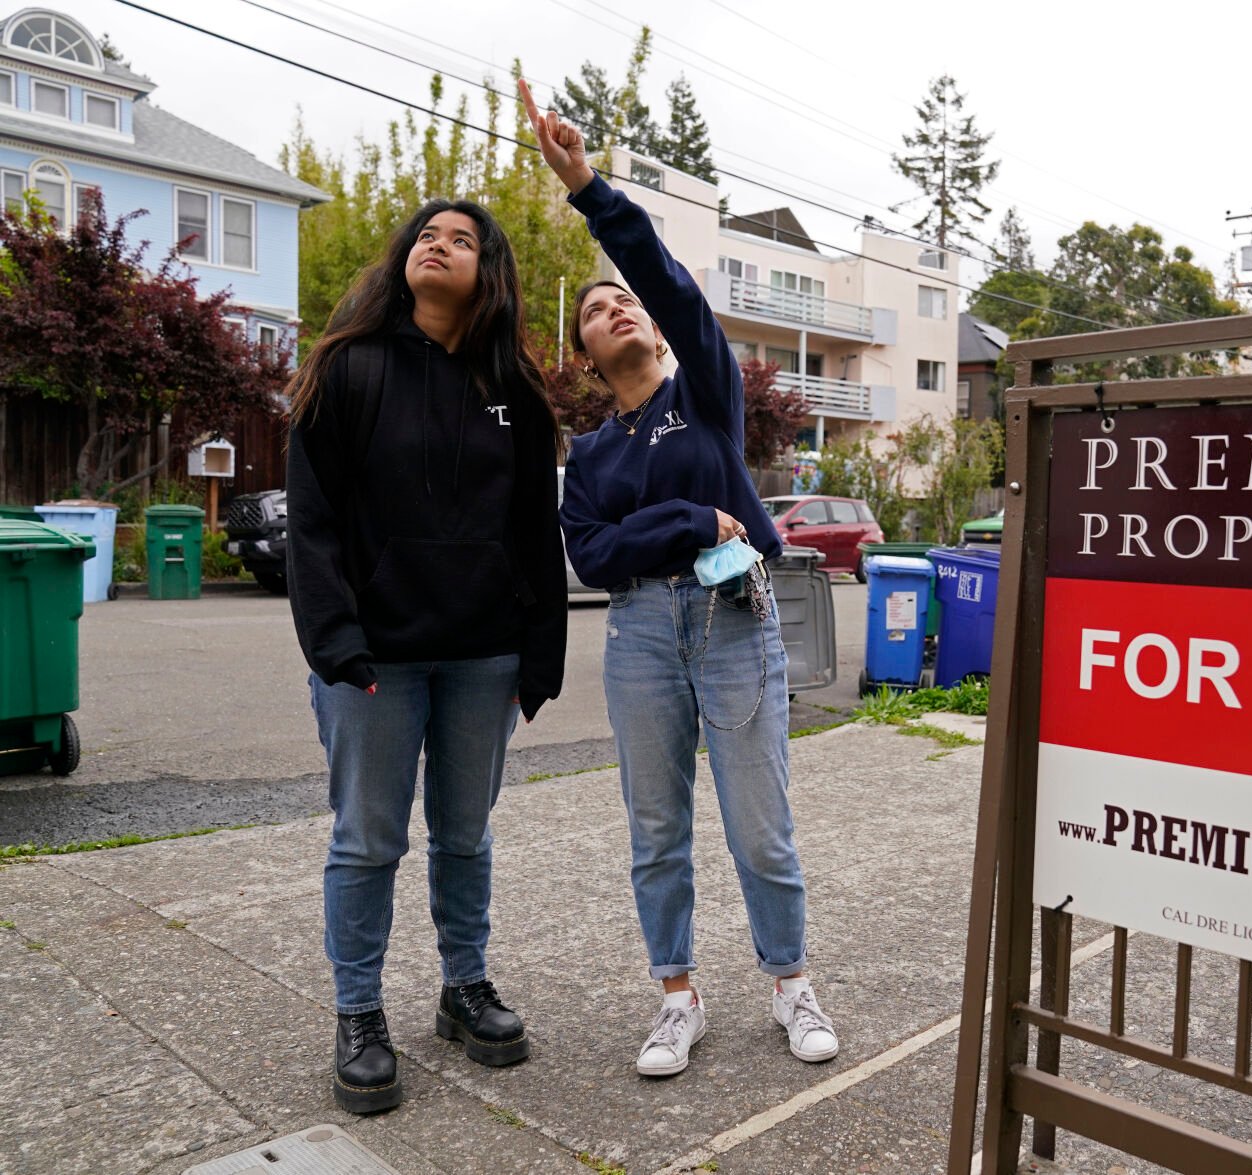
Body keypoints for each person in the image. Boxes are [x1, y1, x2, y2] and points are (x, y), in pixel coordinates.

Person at [520, 79, 839, 1078]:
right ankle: (674, 996)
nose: (614, 306)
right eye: (594, 310)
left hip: (731, 620)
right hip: (640, 638)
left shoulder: (702, 393)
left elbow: (666, 279)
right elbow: (592, 555)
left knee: (761, 823)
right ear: (584, 353)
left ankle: (789, 983)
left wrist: (588, 188)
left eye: (624, 299)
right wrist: (684, 518)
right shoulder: (591, 452)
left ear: (653, 328)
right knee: (655, 826)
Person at [284, 197, 567, 1113]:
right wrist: (333, 642)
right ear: (405, 256)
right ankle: (358, 1013)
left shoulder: (513, 394)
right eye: (429, 235)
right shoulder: (350, 367)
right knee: (367, 840)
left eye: (464, 240)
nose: (440, 246)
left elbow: (533, 532)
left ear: (489, 273)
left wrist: (539, 657)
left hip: (482, 657)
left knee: (465, 834)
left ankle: (464, 987)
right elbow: (314, 522)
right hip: (375, 660)